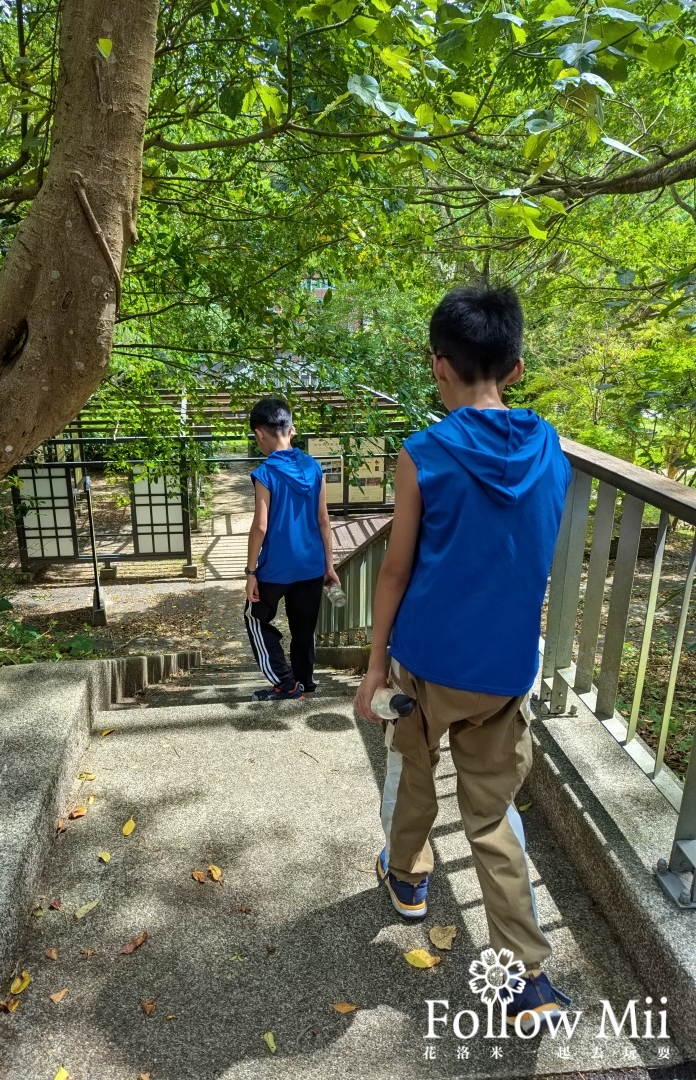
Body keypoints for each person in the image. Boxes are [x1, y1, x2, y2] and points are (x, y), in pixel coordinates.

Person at [354, 285, 572, 1032]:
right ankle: (527, 978)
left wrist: (375, 667)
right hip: (506, 670)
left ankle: (407, 881)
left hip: (428, 662)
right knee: (492, 816)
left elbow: (395, 569)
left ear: (437, 366)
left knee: (414, 777)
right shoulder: (548, 447)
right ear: (513, 368)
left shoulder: (422, 454)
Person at [244, 398, 340, 701]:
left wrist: (250, 572)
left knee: (255, 617)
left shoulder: (266, 473)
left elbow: (260, 526)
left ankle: (285, 683)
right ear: (291, 429)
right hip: (312, 565)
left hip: (276, 568)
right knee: (303, 628)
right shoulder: (314, 467)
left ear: (260, 434)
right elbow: (324, 520)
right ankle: (304, 681)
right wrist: (329, 565)